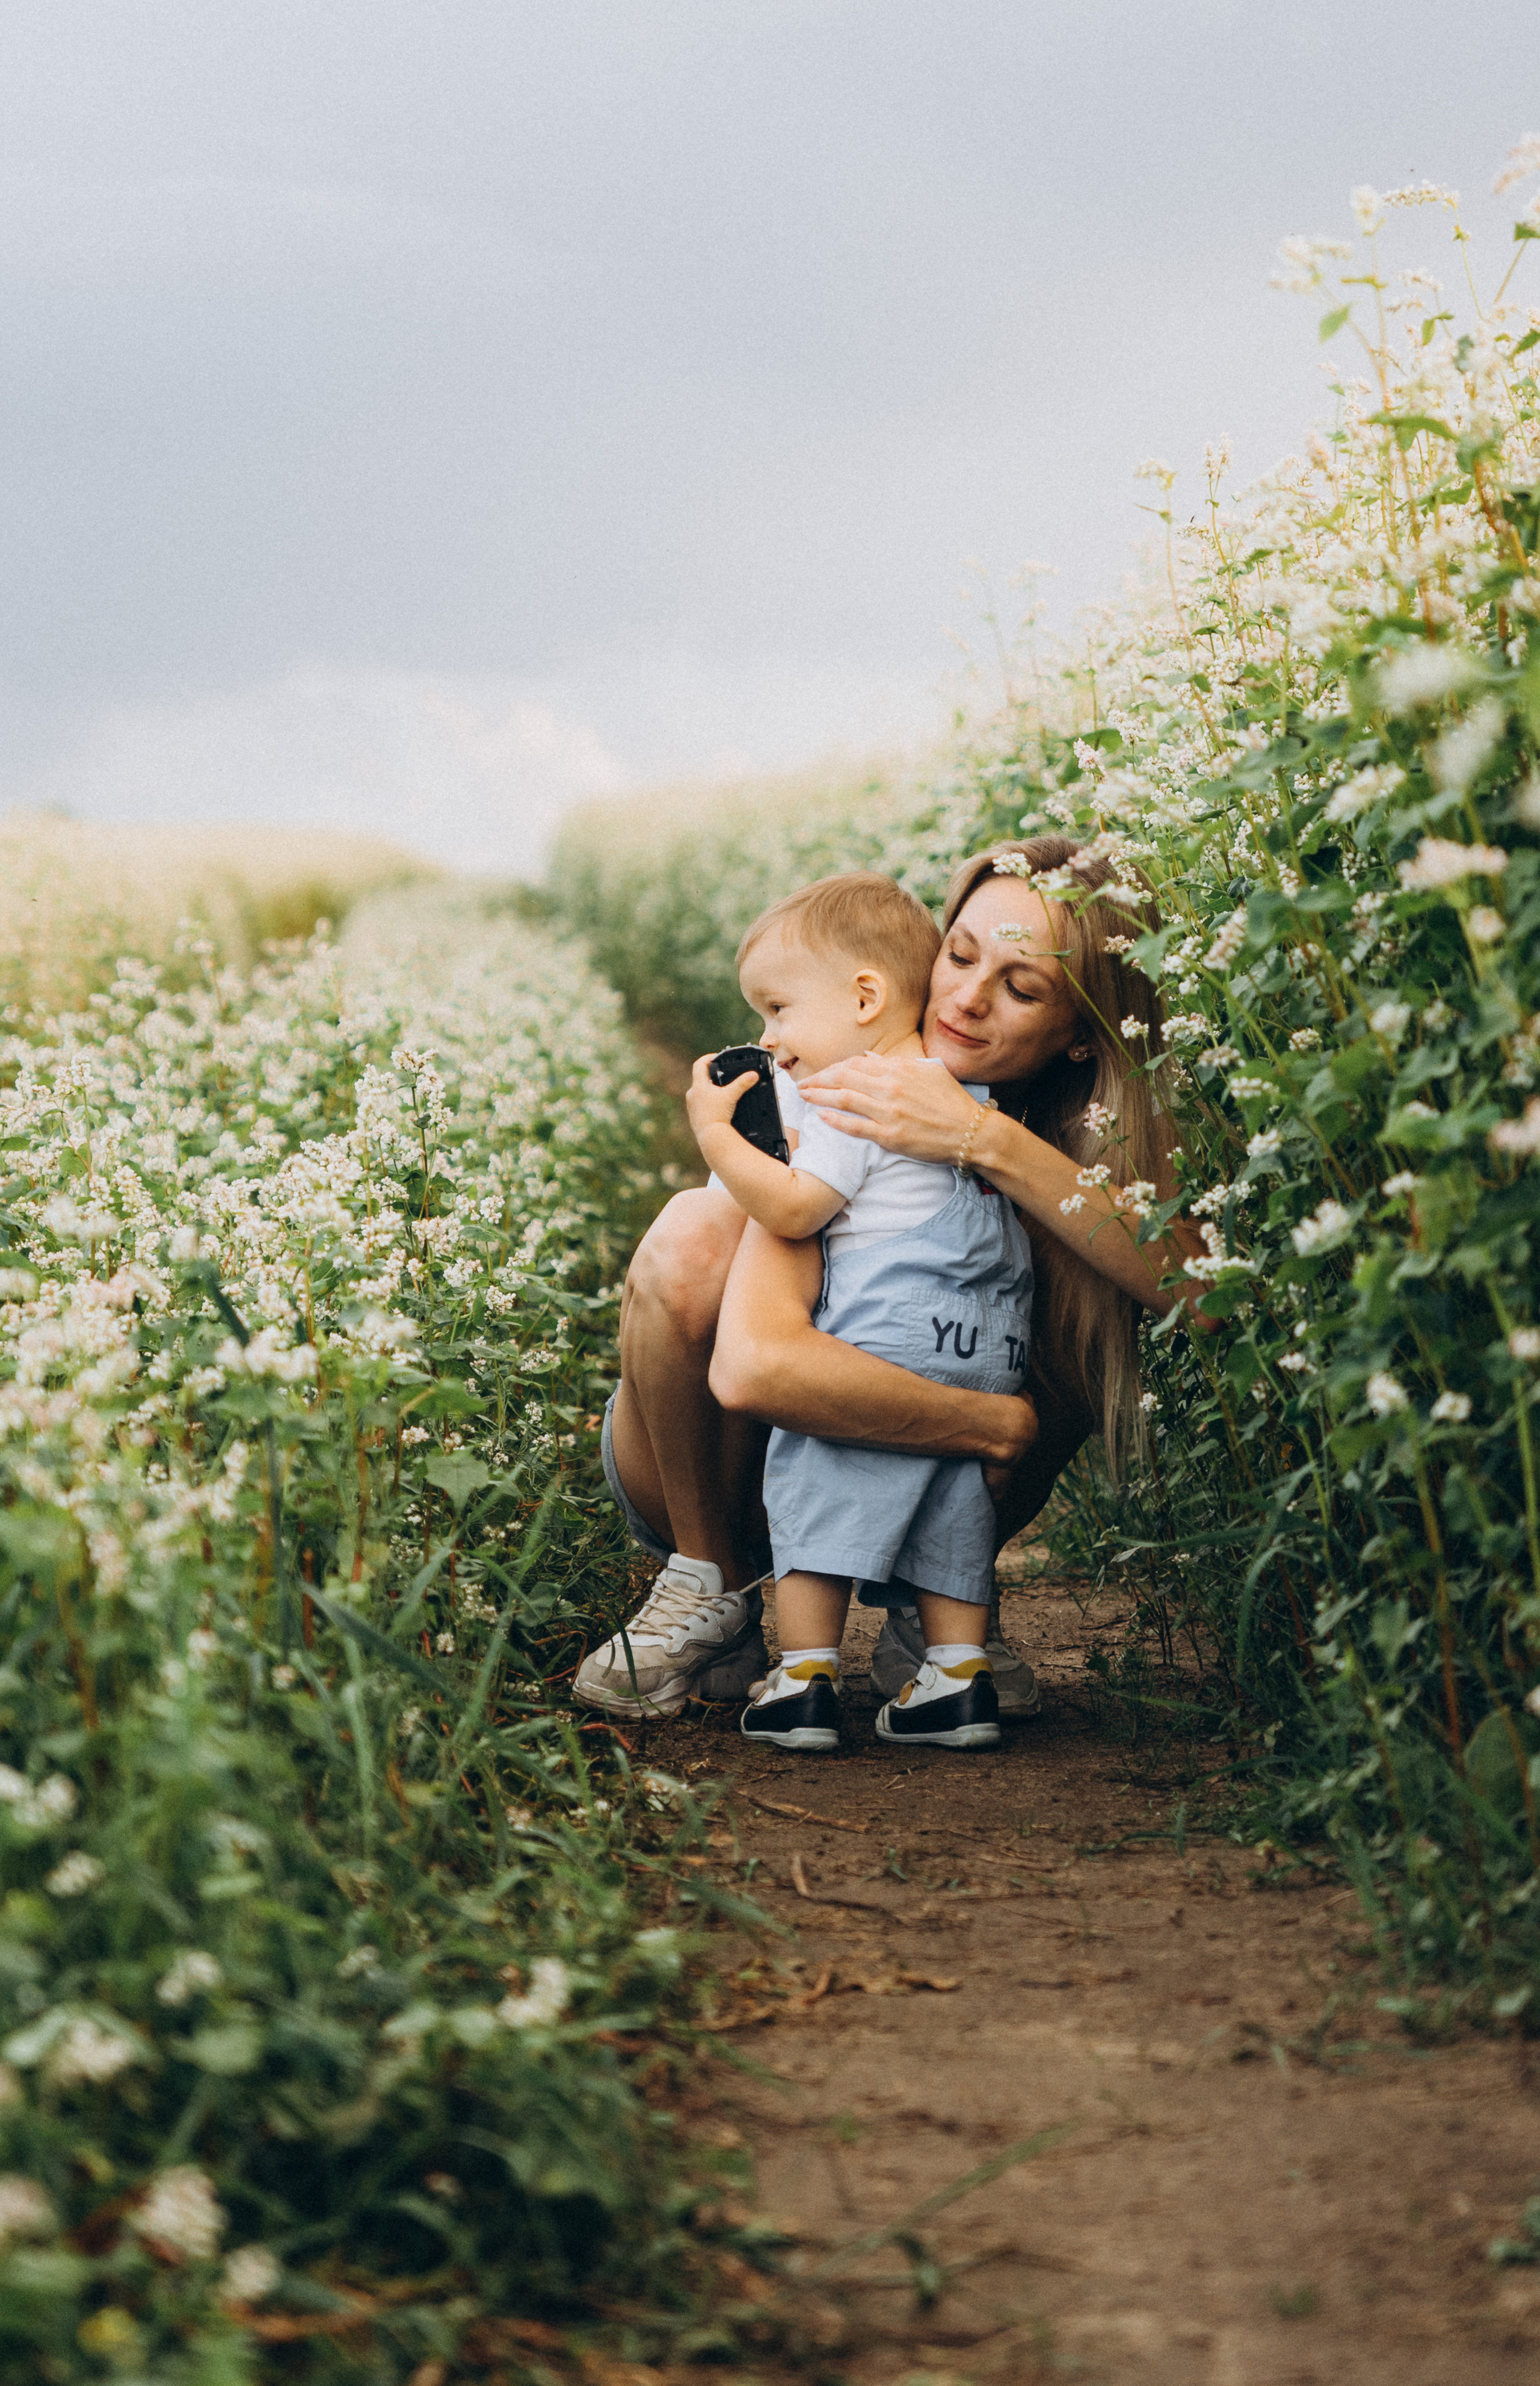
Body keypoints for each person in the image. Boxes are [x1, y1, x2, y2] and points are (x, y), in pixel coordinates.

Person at [573, 833, 1211, 1721]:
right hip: (722, 1459)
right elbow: (753, 1366)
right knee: (693, 1233)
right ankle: (710, 1582)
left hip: (911, 1469)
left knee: (1077, 1265)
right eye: (959, 953)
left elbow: (1204, 1287)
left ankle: (933, 1608)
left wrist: (984, 1141)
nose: (966, 998)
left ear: (1080, 1037)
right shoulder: (841, 1083)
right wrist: (991, 1421)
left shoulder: (1067, 1141)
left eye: (1022, 987)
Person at [683, 871, 1033, 1754]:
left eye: (778, 1010)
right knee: (954, 1500)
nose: (770, 1040)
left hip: (887, 1332)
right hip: (983, 1342)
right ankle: (957, 1679)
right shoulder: (960, 1089)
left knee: (814, 1474)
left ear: (865, 997)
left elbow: (799, 1207)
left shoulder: (860, 1089)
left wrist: (722, 1138)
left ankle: (804, 1678)